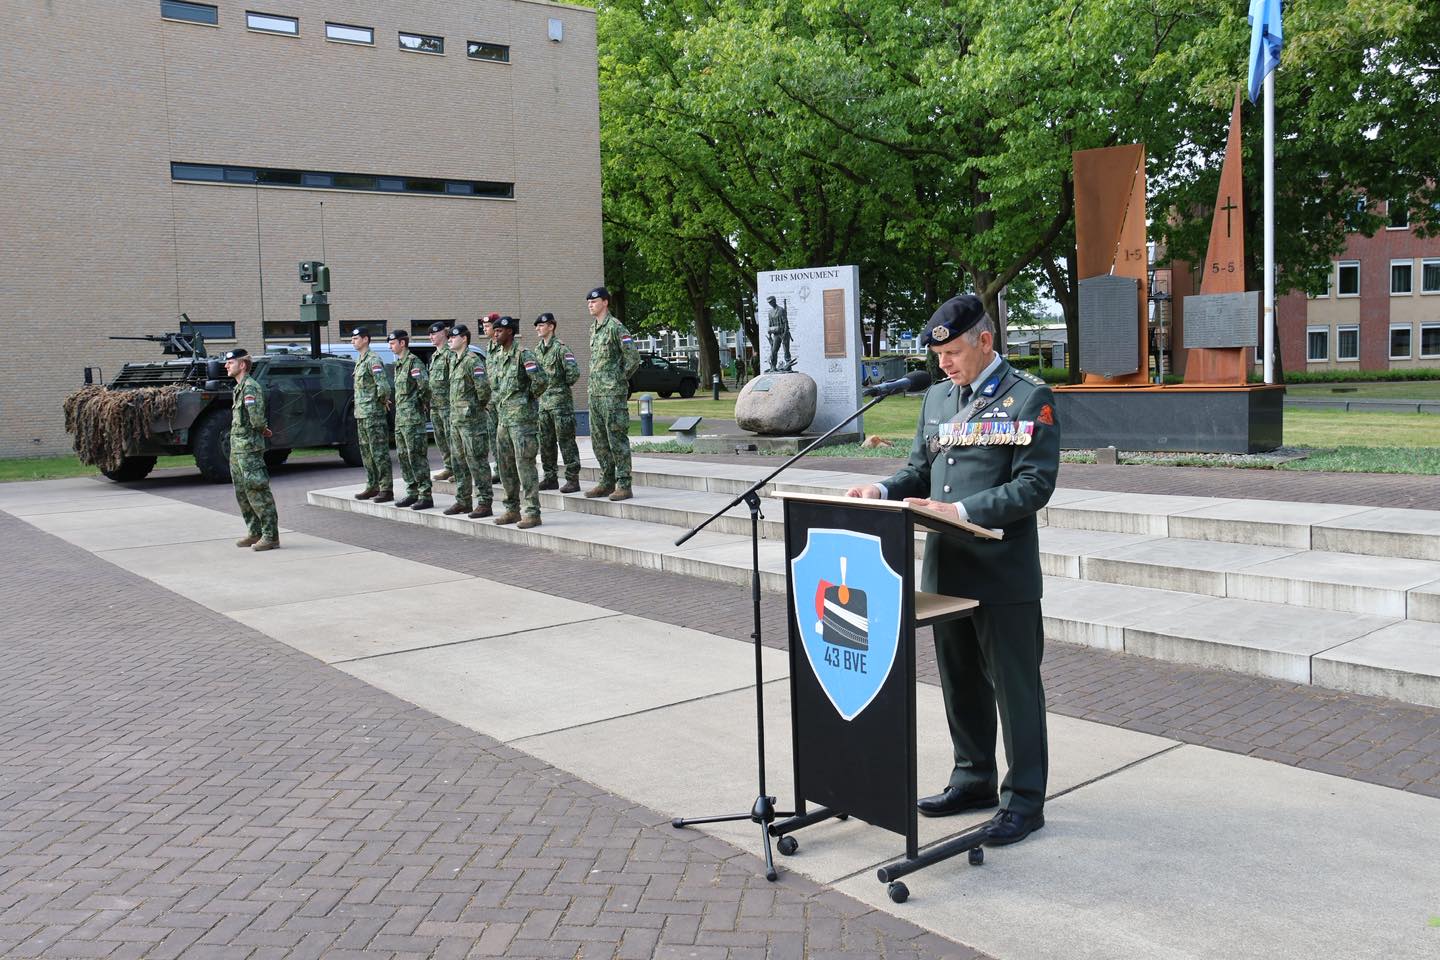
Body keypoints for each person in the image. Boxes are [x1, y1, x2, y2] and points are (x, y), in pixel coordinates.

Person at [845, 293, 1059, 847]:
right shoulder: (938, 398)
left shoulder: (1028, 397)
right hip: (947, 565)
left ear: (985, 341)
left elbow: (1034, 485)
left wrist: (960, 511)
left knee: (1015, 689)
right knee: (959, 681)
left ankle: (1024, 801)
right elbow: (920, 469)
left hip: (1002, 570)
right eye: (939, 357)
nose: (944, 365)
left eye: (954, 353)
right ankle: (973, 779)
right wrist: (882, 490)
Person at [487, 315, 548, 528]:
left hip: (522, 421)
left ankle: (532, 512)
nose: (495, 334)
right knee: (505, 466)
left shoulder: (523, 355)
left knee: (525, 465)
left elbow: (541, 381)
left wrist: (526, 398)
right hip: (503, 420)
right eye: (494, 331)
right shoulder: (497, 357)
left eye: (499, 331)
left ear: (510, 332)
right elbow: (495, 387)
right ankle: (512, 510)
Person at [584, 286, 641, 501]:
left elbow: (633, 358)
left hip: (612, 394)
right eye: (588, 302)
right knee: (599, 440)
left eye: (594, 301)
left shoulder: (616, 327)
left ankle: (624, 484)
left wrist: (618, 379)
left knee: (616, 439)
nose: (590, 305)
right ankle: (606, 481)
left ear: (605, 302)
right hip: (595, 393)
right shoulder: (593, 329)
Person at [223, 348, 280, 551]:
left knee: (258, 490)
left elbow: (256, 419)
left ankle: (270, 536)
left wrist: (263, 429)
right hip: (237, 449)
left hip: (249, 449)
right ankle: (255, 531)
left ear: (242, 365)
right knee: (242, 492)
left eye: (230, 362)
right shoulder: (238, 388)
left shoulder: (250, 388)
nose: (226, 365)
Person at [443, 324, 494, 518]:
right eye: (448, 337)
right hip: (456, 421)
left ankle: (484, 502)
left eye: (453, 336)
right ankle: (463, 501)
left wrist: (474, 410)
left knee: (477, 461)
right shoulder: (454, 361)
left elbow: (484, 391)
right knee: (459, 462)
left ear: (464, 338)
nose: (449, 339)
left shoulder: (473, 361)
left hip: (472, 422)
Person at [532, 312, 582, 493]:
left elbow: (573, 374)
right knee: (546, 443)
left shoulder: (561, 349)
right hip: (544, 405)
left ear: (551, 326)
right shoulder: (537, 351)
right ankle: (550, 478)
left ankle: (572, 479)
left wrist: (559, 388)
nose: (538, 329)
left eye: (541, 325)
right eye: (537, 326)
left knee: (566, 442)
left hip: (561, 405)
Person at [387, 330, 432, 510]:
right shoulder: (399, 364)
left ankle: (425, 495)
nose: (390, 346)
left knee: (416, 456)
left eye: (393, 343)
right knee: (404, 456)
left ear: (402, 343)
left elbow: (424, 387)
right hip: (401, 419)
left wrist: (419, 405)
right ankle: (412, 492)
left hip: (413, 418)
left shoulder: (414, 362)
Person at [349, 327, 393, 502]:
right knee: (366, 453)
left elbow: (383, 387)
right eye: (352, 339)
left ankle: (386, 489)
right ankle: (372, 485)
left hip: (373, 414)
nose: (352, 341)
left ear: (366, 339)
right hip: (361, 413)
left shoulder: (373, 359)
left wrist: (381, 403)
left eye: (356, 338)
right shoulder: (360, 360)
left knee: (379, 452)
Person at [427, 321, 457, 482]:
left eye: (434, 333)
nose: (431, 337)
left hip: (448, 406)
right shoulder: (435, 356)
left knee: (452, 439)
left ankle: (459, 469)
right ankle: (448, 467)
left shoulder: (450, 354)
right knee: (440, 439)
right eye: (430, 334)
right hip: (436, 406)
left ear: (444, 334)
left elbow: (454, 381)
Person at [481, 312, 502, 484]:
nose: (484, 329)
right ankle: (499, 470)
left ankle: (510, 471)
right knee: (493, 437)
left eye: (487, 326)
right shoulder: (489, 347)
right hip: (492, 400)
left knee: (505, 438)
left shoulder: (505, 346)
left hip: (504, 400)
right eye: (484, 326)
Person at [765, 295, 793, 372]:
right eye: (769, 302)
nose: (770, 303)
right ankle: (773, 366)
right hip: (776, 334)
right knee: (774, 350)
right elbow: (770, 324)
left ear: (775, 301)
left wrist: (785, 333)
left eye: (771, 302)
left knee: (786, 350)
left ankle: (788, 365)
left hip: (783, 333)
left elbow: (786, 322)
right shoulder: (770, 312)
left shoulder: (781, 310)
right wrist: (770, 334)